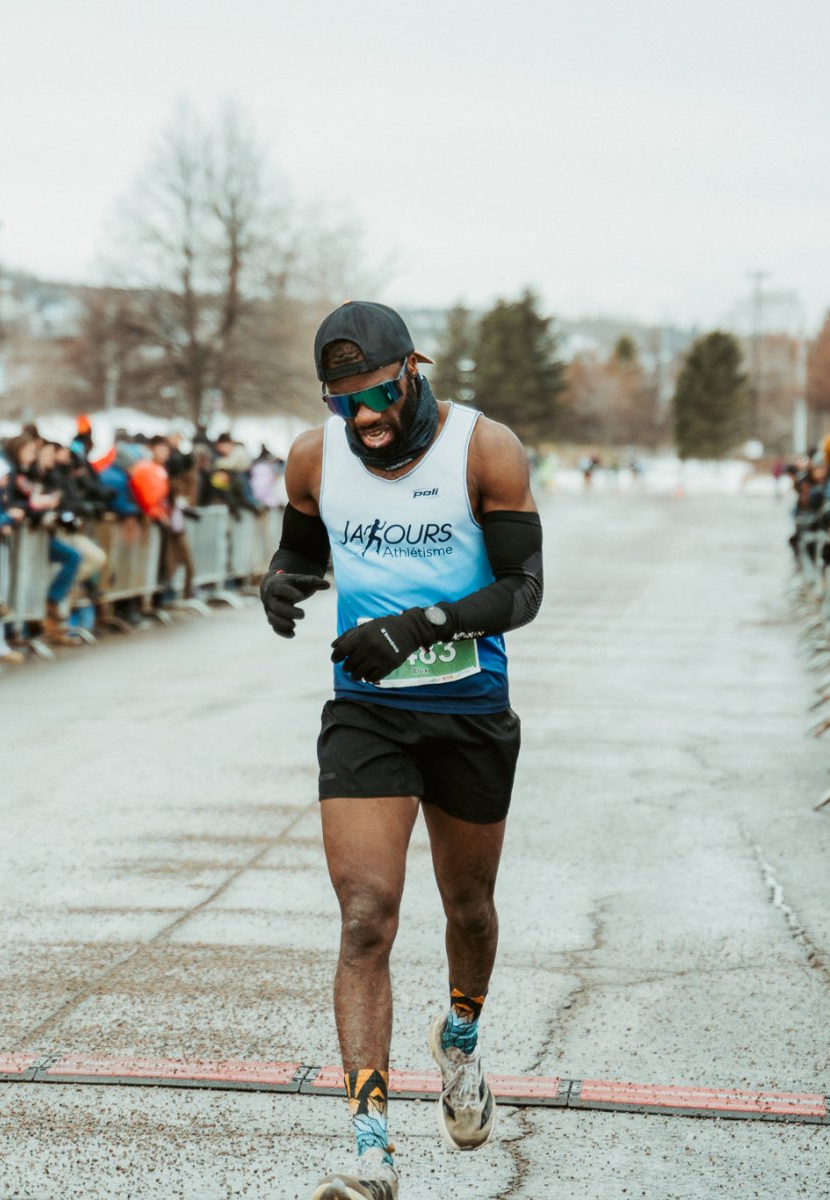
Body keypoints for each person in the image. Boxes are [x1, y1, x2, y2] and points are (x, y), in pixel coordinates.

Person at [263, 301, 542, 1200]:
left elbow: (524, 590)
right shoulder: (314, 457)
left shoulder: (484, 449)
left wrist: (421, 626)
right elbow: (300, 551)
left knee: (469, 909)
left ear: (413, 370)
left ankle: (459, 1043)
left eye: (378, 394)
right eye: (344, 403)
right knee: (365, 917)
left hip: (468, 711)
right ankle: (370, 1152)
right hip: (367, 712)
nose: (366, 418)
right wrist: (281, 583)